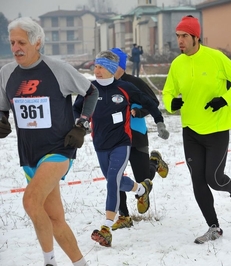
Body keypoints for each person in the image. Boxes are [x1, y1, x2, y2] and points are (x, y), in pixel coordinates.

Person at [0, 17, 98, 266]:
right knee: (54, 218)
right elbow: (3, 108)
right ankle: (78, 263)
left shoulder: (57, 69)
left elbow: (91, 92)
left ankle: (49, 264)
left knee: (31, 201)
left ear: (37, 42)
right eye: (12, 42)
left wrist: (82, 124)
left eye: (21, 42)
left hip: (58, 150)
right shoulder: (7, 73)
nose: (16, 48)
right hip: (29, 154)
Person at [162, 15, 231, 244]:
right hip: (190, 130)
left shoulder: (215, 57)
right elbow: (168, 92)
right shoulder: (177, 64)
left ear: (195, 37)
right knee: (198, 182)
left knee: (213, 178)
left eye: (184, 36)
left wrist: (225, 98)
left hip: (216, 128)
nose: (180, 41)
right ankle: (214, 228)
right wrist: (171, 104)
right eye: (178, 36)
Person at [73, 50, 168, 247]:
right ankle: (142, 188)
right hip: (100, 143)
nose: (96, 70)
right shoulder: (89, 89)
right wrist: (79, 121)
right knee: (113, 180)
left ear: (110, 69)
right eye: (95, 67)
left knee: (113, 181)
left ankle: (106, 227)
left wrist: (159, 123)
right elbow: (76, 108)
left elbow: (150, 102)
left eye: (100, 67)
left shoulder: (125, 87)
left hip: (122, 142)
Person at [109, 47, 169, 230]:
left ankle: (154, 162)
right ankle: (124, 215)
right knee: (115, 175)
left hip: (136, 134)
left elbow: (154, 103)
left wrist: (138, 111)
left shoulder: (134, 82)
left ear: (120, 65)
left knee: (143, 178)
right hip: (116, 137)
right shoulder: (105, 86)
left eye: (113, 65)